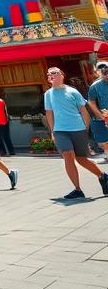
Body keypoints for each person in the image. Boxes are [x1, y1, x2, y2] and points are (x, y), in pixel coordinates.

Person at [44, 67, 108, 199]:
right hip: (60, 130)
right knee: (68, 155)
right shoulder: (48, 94)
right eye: (49, 74)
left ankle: (103, 176)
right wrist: (52, 131)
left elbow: (84, 112)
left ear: (62, 75)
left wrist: (85, 129)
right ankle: (77, 189)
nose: (51, 75)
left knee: (81, 159)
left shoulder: (73, 92)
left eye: (54, 73)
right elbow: (49, 113)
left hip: (78, 129)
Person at [87, 61, 108, 161]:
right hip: (100, 118)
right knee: (103, 141)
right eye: (100, 70)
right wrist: (101, 116)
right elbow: (91, 103)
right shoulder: (95, 86)